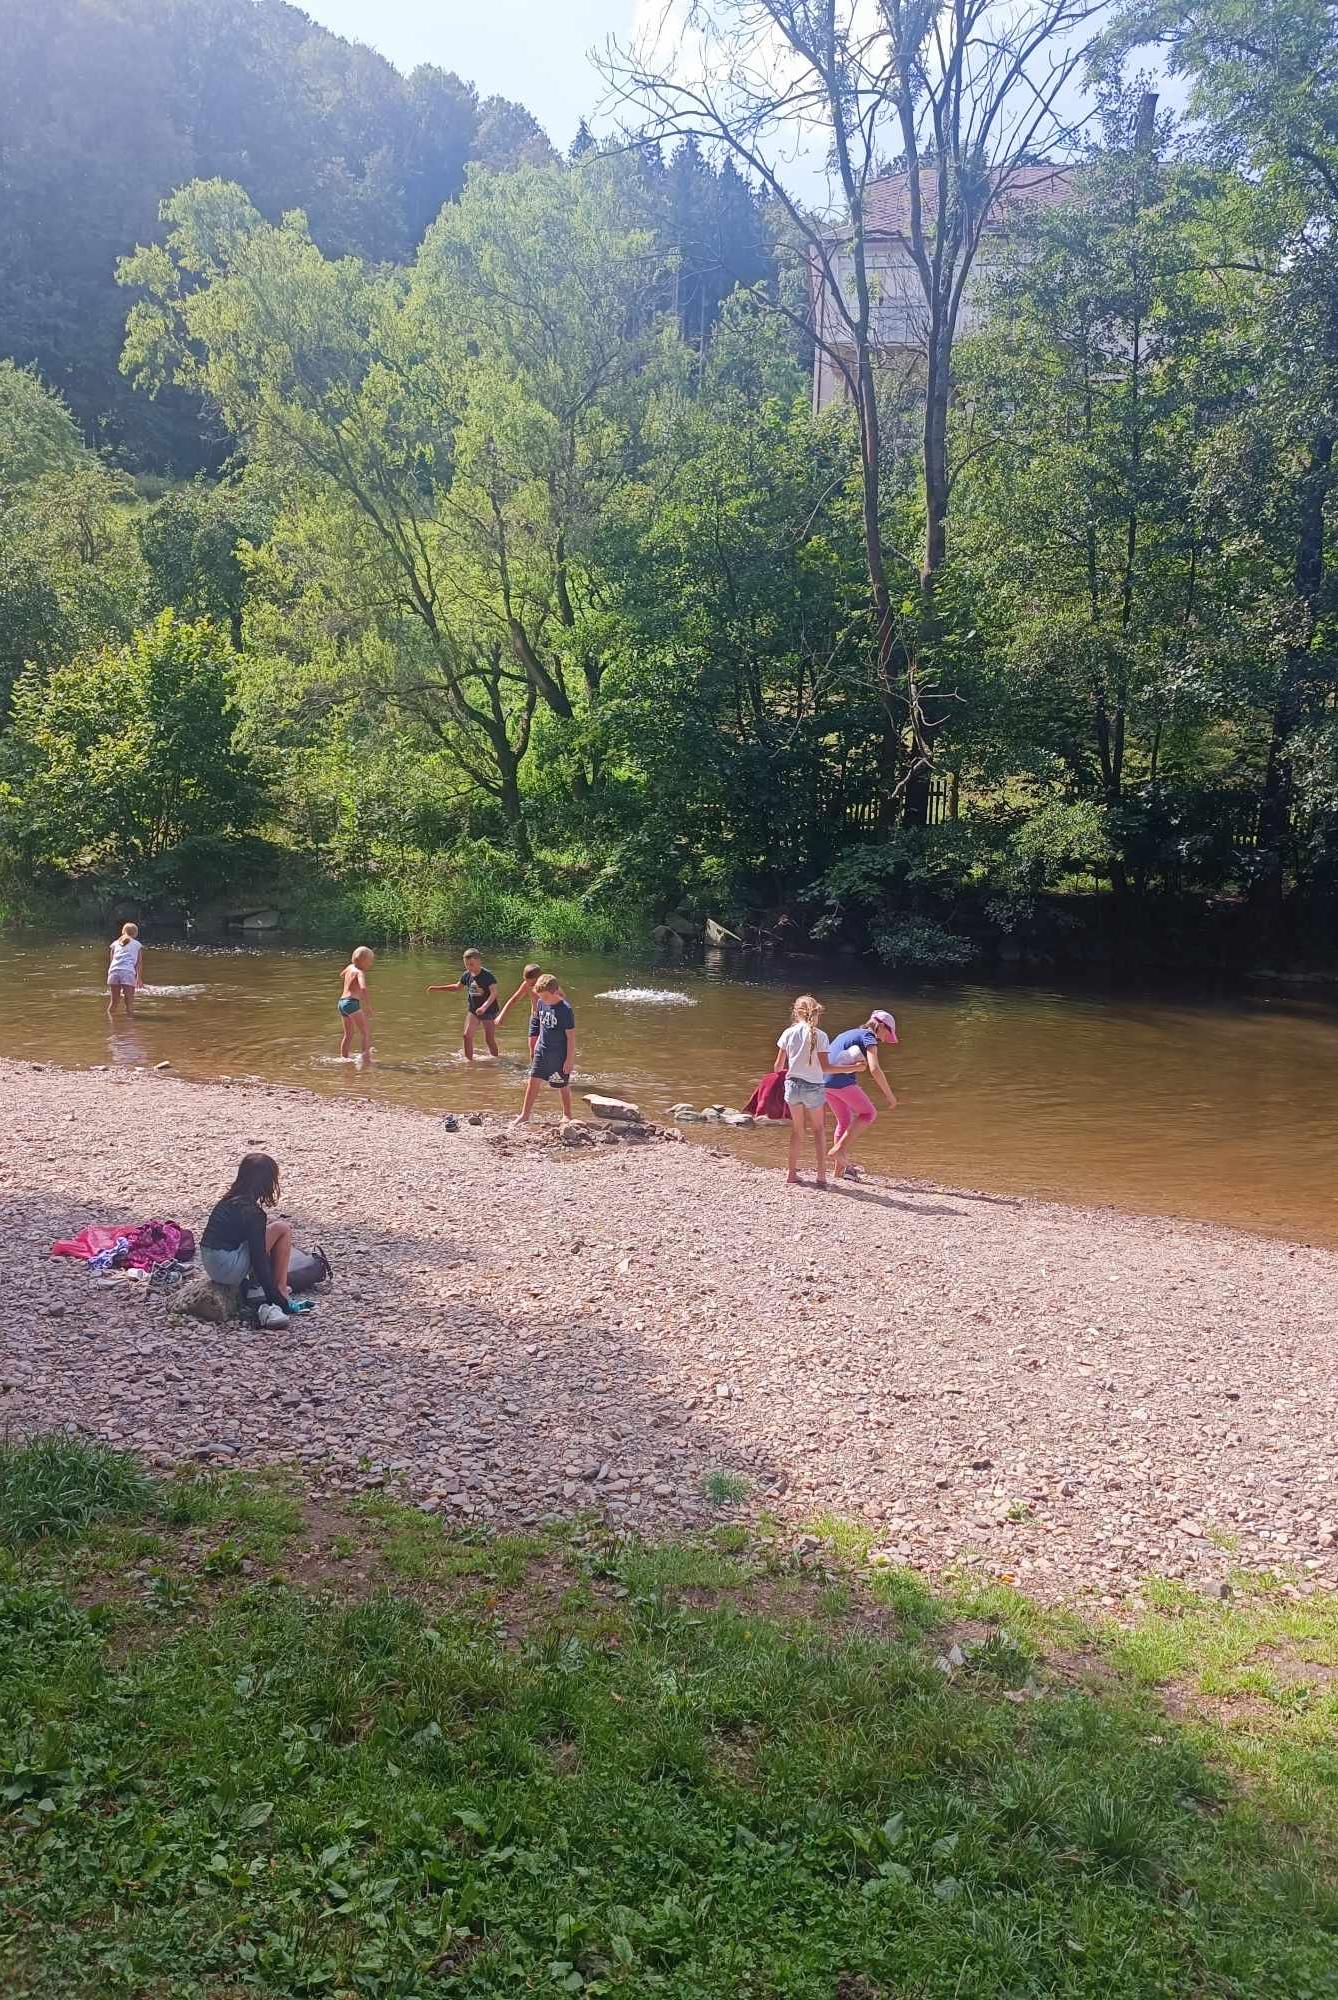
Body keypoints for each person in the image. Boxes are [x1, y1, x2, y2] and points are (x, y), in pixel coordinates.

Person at [200, 1152, 309, 1329]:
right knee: (282, 1229)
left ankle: (256, 1285)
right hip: (227, 1268)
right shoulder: (252, 1213)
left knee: (271, 1224)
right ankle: (281, 1288)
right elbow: (258, 1259)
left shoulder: (229, 1200)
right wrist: (277, 1300)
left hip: (211, 1262)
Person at [774, 994, 857, 1187]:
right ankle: (821, 1176)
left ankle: (791, 1174)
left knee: (797, 1131)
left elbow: (778, 1066)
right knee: (819, 1130)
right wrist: (852, 1068)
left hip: (793, 1085)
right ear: (816, 1013)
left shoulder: (788, 1033)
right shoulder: (821, 1036)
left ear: (796, 1012)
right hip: (814, 1087)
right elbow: (826, 1068)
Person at [825, 1009, 899, 1179]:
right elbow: (874, 1068)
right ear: (880, 1026)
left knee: (844, 1121)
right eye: (886, 1034)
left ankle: (838, 1172)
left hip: (824, 1081)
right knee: (869, 1113)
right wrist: (890, 1095)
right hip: (840, 1081)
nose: (883, 1039)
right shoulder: (869, 1036)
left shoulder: (848, 1033)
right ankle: (837, 1150)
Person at [514, 973, 576, 1123]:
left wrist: (569, 1060)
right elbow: (542, 1026)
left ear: (555, 992)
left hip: (558, 1054)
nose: (542, 999)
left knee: (562, 1084)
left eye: (545, 996)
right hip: (542, 1050)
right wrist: (537, 1046)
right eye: (540, 996)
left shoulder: (565, 1010)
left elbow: (571, 1038)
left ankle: (567, 1114)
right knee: (533, 1080)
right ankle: (525, 1115)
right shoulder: (541, 1003)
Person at [428, 949, 499, 1061]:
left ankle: (496, 1061)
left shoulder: (488, 976)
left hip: (488, 1010)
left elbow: (494, 993)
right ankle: (469, 1063)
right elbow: (457, 987)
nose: (469, 967)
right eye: (466, 965)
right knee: (466, 1036)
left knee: (489, 1039)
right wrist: (438, 988)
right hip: (473, 1010)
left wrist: (484, 1007)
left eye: (471, 964)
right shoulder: (467, 975)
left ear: (479, 962)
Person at [337, 946, 374, 1062]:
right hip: (352, 1003)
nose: (371, 964)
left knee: (348, 1034)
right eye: (370, 961)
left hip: (342, 1003)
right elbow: (363, 988)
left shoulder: (350, 967)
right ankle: (366, 1058)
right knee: (365, 1032)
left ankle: (344, 1058)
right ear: (363, 961)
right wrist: (368, 1005)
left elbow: (342, 974)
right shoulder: (360, 972)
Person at [106, 922, 143, 1019]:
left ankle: (111, 1023)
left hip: (113, 972)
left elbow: (112, 961)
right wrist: (138, 978)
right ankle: (130, 1027)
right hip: (127, 972)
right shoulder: (137, 944)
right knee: (129, 1002)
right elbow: (138, 963)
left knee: (114, 1001)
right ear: (135, 933)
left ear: (123, 932)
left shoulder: (115, 943)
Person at [496, 962, 542, 1037]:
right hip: (535, 1017)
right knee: (532, 1043)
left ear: (538, 978)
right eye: (526, 980)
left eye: (532, 983)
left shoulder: (547, 984)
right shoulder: (526, 984)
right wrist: (501, 1016)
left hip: (547, 1018)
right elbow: (514, 999)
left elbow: (561, 998)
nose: (530, 985)